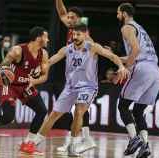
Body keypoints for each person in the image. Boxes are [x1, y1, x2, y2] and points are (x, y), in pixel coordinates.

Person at [20, 23, 129, 156]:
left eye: (78, 34)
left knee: (79, 110)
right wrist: (40, 67)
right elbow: (52, 59)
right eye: (73, 34)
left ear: (85, 34)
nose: (75, 37)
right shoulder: (67, 49)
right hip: (70, 87)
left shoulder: (93, 47)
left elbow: (112, 56)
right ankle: (33, 143)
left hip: (87, 87)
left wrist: (121, 67)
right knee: (53, 115)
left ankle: (73, 145)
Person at [0, 26, 50, 154]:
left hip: (26, 85)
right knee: (8, 117)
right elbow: (2, 66)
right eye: (46, 37)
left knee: (42, 111)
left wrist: (34, 81)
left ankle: (28, 143)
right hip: (10, 84)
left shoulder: (44, 54)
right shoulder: (18, 51)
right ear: (38, 38)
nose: (48, 40)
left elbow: (45, 76)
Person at [116, 3, 159, 158]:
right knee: (137, 111)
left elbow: (136, 51)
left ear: (124, 13)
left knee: (123, 105)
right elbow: (137, 53)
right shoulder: (140, 28)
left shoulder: (127, 27)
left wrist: (125, 69)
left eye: (118, 13)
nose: (117, 16)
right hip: (155, 71)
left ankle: (134, 139)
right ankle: (145, 146)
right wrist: (115, 58)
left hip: (143, 68)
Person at [55, 0, 94, 153]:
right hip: (74, 73)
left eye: (71, 18)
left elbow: (92, 46)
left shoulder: (83, 32)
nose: (68, 19)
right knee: (78, 108)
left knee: (78, 108)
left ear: (77, 19)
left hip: (83, 74)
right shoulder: (72, 26)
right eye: (69, 18)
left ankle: (74, 142)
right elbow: (61, 12)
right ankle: (85, 138)